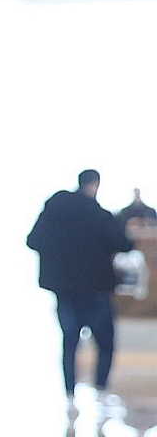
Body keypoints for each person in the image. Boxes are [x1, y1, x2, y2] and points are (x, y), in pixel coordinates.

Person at [27, 169, 134, 406]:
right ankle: (101, 390)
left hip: (64, 289)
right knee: (105, 342)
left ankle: (70, 394)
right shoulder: (98, 215)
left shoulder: (55, 209)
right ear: (95, 184)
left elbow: (33, 240)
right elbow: (123, 243)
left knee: (69, 342)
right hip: (96, 289)